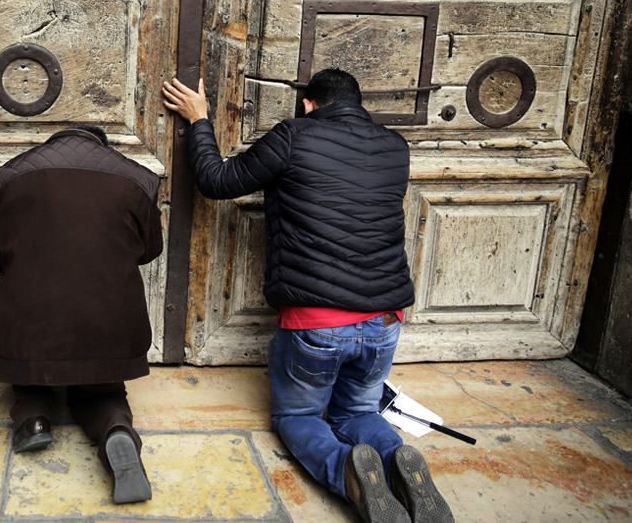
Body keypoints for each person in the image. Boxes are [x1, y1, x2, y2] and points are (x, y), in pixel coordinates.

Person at [162, 70, 453, 523]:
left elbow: (216, 181)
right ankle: (400, 465)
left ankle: (348, 475)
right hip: (385, 322)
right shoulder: (395, 146)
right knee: (356, 410)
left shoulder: (293, 136)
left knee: (299, 419)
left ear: (308, 105)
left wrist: (199, 118)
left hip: (318, 324)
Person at [0, 124, 162, 504]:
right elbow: (149, 250)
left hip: (28, 333)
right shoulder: (138, 178)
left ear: (52, 144)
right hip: (110, 334)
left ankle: (34, 416)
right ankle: (115, 430)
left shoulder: (12, 174)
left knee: (30, 375)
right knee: (102, 390)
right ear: (102, 146)